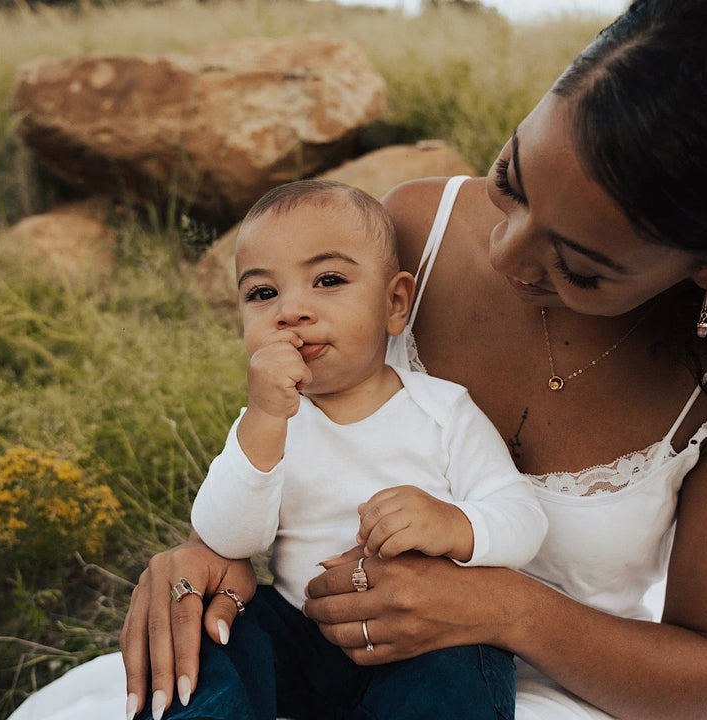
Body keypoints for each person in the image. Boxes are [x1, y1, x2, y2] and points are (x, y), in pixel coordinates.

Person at [8, 1, 707, 719]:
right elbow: (302, 436)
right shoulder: (408, 233)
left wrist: (501, 608)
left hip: (568, 685)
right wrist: (212, 556)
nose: (508, 254)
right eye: (511, 178)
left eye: (581, 268)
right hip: (316, 637)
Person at [137, 179, 547, 720]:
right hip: (301, 634)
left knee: (462, 667)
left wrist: (452, 523)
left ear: (395, 303)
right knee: (221, 630)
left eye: (327, 280)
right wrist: (262, 420)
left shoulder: (442, 412)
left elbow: (523, 519)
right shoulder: (270, 420)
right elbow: (228, 537)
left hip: (420, 639)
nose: (291, 311)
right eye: (263, 294)